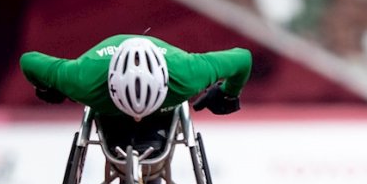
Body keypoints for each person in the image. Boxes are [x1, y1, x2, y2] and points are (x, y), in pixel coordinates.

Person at [19, 34, 253, 154]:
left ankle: (152, 164)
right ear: (110, 84)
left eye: (142, 110)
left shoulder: (187, 73)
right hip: (109, 105)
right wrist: (47, 87)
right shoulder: (82, 79)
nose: (138, 116)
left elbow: (244, 58)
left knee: (154, 142)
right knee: (116, 135)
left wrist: (228, 93)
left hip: (152, 103)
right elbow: (27, 61)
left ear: (165, 82)